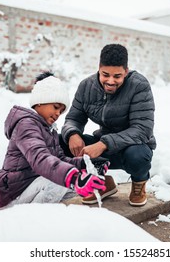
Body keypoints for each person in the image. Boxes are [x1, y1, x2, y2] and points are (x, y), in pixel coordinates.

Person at [0, 72, 109, 209]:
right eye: (56, 107)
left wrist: (84, 163)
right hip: (14, 193)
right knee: (60, 182)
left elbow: (59, 159)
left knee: (70, 186)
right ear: (40, 101)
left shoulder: (49, 129)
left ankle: (47, 218)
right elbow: (40, 159)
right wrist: (74, 178)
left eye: (62, 110)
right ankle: (30, 222)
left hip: (32, 186)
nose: (58, 114)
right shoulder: (26, 125)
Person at [60, 44, 156, 206]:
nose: (110, 81)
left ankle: (139, 184)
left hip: (132, 148)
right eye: (105, 74)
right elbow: (73, 118)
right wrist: (72, 134)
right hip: (103, 146)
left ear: (126, 71)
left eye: (117, 76)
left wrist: (104, 144)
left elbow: (142, 130)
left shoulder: (139, 86)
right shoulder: (86, 86)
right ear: (99, 68)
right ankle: (102, 183)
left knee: (138, 156)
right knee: (59, 143)